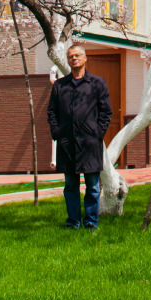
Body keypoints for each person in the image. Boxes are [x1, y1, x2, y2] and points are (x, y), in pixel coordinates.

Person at [46, 43, 112, 229]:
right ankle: (73, 222)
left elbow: (106, 112)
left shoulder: (97, 84)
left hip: (90, 144)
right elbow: (51, 112)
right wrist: (57, 132)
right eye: (70, 56)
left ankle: (91, 223)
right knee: (70, 186)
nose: (73, 58)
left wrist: (98, 133)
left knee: (92, 186)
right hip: (67, 144)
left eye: (77, 56)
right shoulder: (60, 86)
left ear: (85, 59)